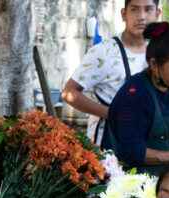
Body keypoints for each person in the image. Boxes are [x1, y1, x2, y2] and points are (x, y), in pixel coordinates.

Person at [62, 0, 160, 147]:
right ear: (123, 14)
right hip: (108, 144)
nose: (141, 16)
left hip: (147, 142)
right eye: (134, 10)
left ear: (157, 14)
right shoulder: (104, 52)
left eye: (148, 10)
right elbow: (69, 93)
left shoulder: (160, 52)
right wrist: (113, 114)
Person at [104, 22, 169, 175]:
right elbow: (132, 151)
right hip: (133, 182)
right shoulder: (135, 95)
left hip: (164, 177)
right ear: (154, 64)